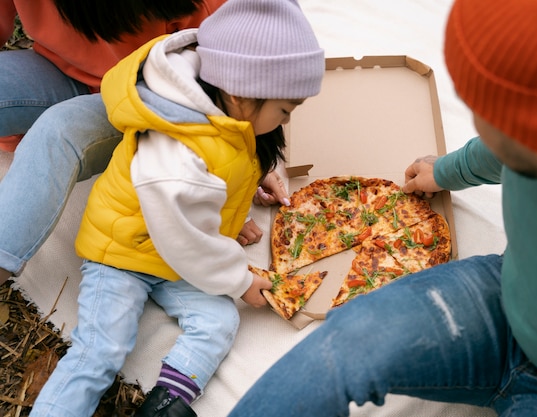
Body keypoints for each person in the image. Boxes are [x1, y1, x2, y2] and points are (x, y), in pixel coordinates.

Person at [227, 0, 537, 416]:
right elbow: (498, 154)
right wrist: (448, 171)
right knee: (346, 338)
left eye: (485, 110)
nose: (474, 119)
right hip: (506, 301)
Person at [27, 0, 324, 416]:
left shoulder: (222, 107)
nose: (285, 122)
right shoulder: (175, 155)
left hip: (175, 256)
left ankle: (168, 403)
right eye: (284, 111)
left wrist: (257, 175)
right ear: (241, 93)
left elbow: (228, 159)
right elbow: (184, 238)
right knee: (102, 350)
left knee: (218, 321)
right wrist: (237, 279)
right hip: (126, 251)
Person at [0, 0, 291, 285]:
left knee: (57, 131)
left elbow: (235, 85)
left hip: (150, 100)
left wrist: (242, 168)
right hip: (56, 69)